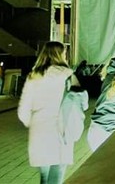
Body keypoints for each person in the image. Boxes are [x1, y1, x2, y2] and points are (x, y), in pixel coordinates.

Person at [17, 41, 80, 184]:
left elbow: (23, 109)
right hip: (61, 130)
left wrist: (32, 122)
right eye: (64, 53)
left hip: (39, 131)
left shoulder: (33, 76)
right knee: (57, 176)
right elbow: (80, 99)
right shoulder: (67, 74)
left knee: (44, 178)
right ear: (59, 55)